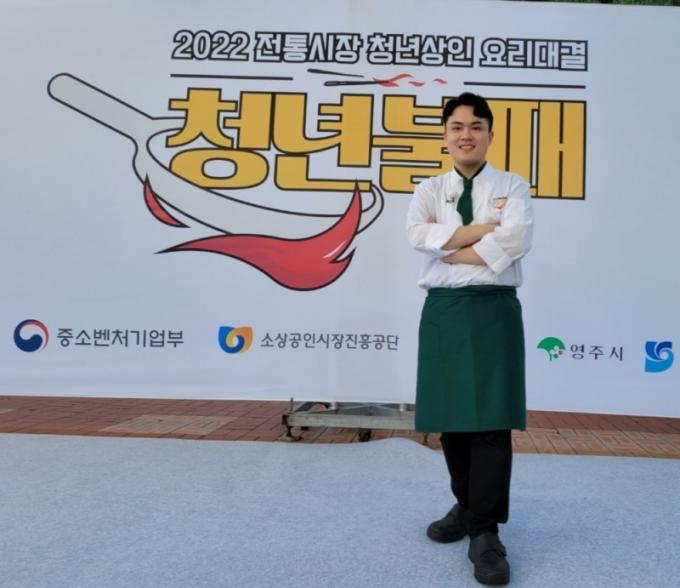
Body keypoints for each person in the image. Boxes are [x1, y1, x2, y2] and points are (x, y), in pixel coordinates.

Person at [406, 92, 533, 586]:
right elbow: (417, 236)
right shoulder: (429, 187)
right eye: (457, 126)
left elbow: (515, 240)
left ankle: (485, 533)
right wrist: (483, 230)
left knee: (491, 423)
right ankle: (465, 504)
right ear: (445, 135)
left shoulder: (512, 185)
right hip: (444, 312)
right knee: (452, 422)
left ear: (489, 135)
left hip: (493, 309)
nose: (466, 135)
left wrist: (450, 245)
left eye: (476, 126)